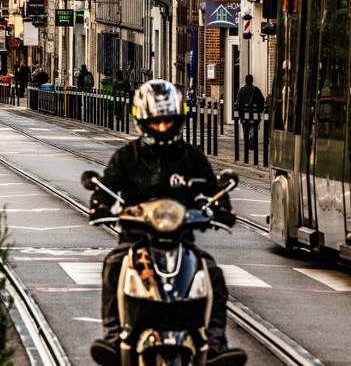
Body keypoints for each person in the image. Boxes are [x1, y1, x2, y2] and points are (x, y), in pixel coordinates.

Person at [89, 80, 245, 366]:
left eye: (168, 121)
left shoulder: (191, 157)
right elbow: (106, 187)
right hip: (136, 239)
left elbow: (212, 189)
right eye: (156, 122)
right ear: (142, 121)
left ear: (179, 120)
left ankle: (214, 342)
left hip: (181, 240)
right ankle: (113, 336)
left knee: (212, 272)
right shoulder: (126, 157)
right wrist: (99, 203)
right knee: (113, 265)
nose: (162, 128)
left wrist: (221, 206)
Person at [235, 75, 265, 149]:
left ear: (245, 81)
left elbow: (238, 103)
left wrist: (239, 114)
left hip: (244, 115)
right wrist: (259, 110)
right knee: (253, 128)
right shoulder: (256, 90)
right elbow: (262, 100)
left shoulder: (241, 90)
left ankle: (247, 142)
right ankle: (252, 140)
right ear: (252, 81)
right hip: (254, 114)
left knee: (246, 129)